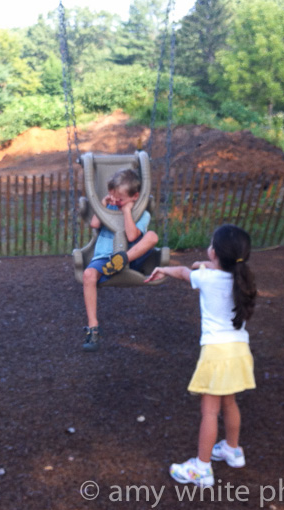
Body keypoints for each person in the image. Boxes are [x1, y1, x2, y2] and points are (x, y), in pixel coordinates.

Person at [145, 224, 257, 488]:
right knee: (230, 402)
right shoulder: (242, 279)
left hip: (216, 354)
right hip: (239, 350)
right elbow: (204, 269)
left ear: (214, 253)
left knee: (210, 412)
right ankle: (232, 450)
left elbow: (184, 273)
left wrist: (164, 269)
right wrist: (205, 265)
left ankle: (202, 468)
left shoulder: (206, 279)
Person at [81, 168, 159, 351]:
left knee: (152, 236)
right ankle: (93, 327)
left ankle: (122, 260)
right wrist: (103, 204)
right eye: (112, 197)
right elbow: (94, 224)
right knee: (88, 275)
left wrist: (127, 211)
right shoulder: (108, 208)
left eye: (120, 199)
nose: (115, 202)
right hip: (105, 259)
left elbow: (132, 236)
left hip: (132, 257)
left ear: (135, 196)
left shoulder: (142, 214)